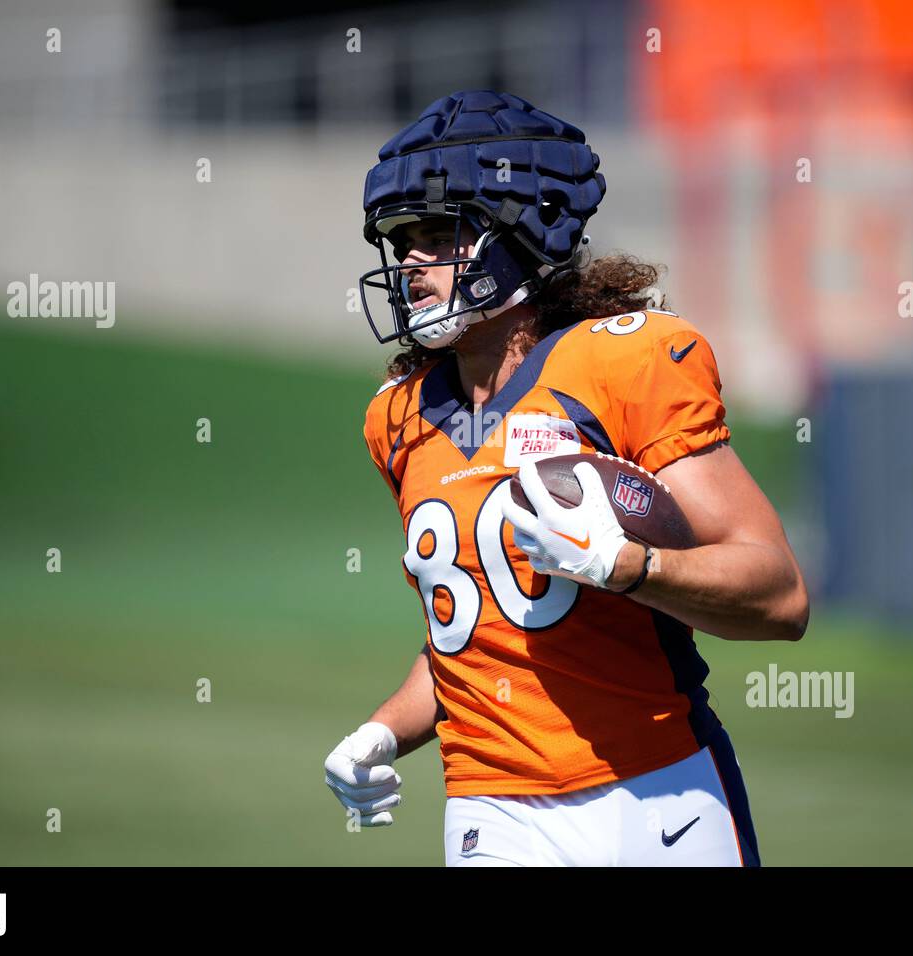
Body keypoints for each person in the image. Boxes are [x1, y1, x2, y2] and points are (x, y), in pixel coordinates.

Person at [325, 91, 809, 866]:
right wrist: (381, 731)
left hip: (657, 793)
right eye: (401, 240)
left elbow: (781, 597)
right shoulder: (399, 418)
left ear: (516, 236)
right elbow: (470, 637)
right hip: (492, 807)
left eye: (434, 234)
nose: (410, 262)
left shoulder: (625, 363)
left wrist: (628, 567)